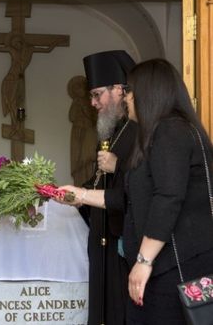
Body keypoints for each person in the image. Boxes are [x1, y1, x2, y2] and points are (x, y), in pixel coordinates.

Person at [58, 58, 213, 324]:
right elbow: (127, 197)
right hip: (163, 267)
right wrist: (78, 195)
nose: (126, 97)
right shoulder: (156, 133)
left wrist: (143, 261)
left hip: (175, 267)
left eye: (129, 91)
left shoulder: (171, 130)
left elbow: (168, 198)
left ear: (149, 92)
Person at [80, 50, 137, 325]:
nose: (93, 103)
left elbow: (146, 183)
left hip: (125, 240)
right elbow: (100, 180)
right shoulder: (112, 130)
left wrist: (119, 166)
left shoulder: (142, 129)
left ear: (118, 89)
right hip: (103, 237)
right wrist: (72, 194)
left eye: (97, 94)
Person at [68, 75, 98, 186]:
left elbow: (94, 118)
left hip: (88, 131)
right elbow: (71, 116)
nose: (78, 91)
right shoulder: (76, 102)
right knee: (78, 157)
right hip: (77, 132)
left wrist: (84, 107)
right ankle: (79, 182)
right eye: (75, 89)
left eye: (79, 88)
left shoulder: (90, 102)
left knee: (87, 157)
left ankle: (88, 182)